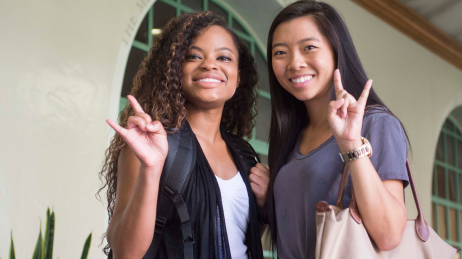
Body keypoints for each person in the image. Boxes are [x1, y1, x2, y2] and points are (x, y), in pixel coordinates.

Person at [98, 11, 269, 259]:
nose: (210, 64)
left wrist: (265, 206)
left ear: (238, 76)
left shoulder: (245, 156)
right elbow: (126, 253)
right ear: (176, 69)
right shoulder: (153, 145)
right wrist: (151, 168)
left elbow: (238, 237)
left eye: (224, 57)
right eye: (194, 56)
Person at [264, 1, 410, 258]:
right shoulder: (292, 136)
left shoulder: (375, 123)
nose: (294, 63)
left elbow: (389, 235)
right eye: (280, 52)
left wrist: (351, 144)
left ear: (336, 51)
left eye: (309, 47)